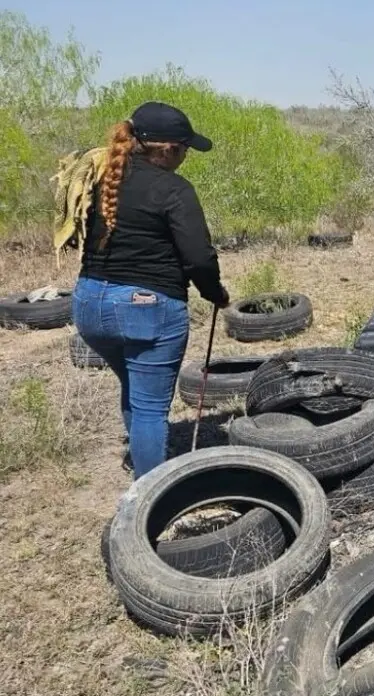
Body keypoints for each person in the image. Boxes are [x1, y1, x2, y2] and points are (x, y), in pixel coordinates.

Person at [70, 101, 230, 479]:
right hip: (146, 307)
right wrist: (215, 294)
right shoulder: (174, 189)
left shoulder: (102, 179)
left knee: (134, 385)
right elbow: (199, 258)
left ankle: (143, 462)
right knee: (150, 410)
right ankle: (150, 498)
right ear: (169, 149)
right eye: (185, 148)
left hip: (89, 303)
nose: (186, 156)